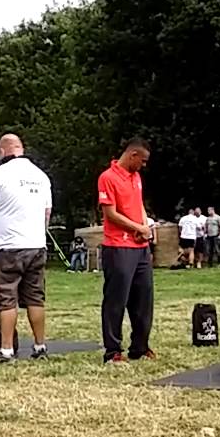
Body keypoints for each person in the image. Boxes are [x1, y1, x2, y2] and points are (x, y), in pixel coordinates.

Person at [0, 133, 53, 363]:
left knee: (5, 297)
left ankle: (6, 350)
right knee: (35, 298)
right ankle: (40, 347)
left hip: (7, 246)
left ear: (2, 152)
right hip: (36, 245)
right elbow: (47, 213)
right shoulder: (41, 176)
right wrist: (38, 235)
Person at [97, 138, 156, 363]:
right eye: (143, 160)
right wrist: (137, 228)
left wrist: (145, 226)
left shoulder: (136, 177)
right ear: (133, 155)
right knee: (116, 300)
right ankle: (113, 350)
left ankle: (140, 347)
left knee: (143, 298)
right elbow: (110, 213)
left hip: (140, 247)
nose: (144, 165)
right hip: (118, 246)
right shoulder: (108, 177)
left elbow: (139, 204)